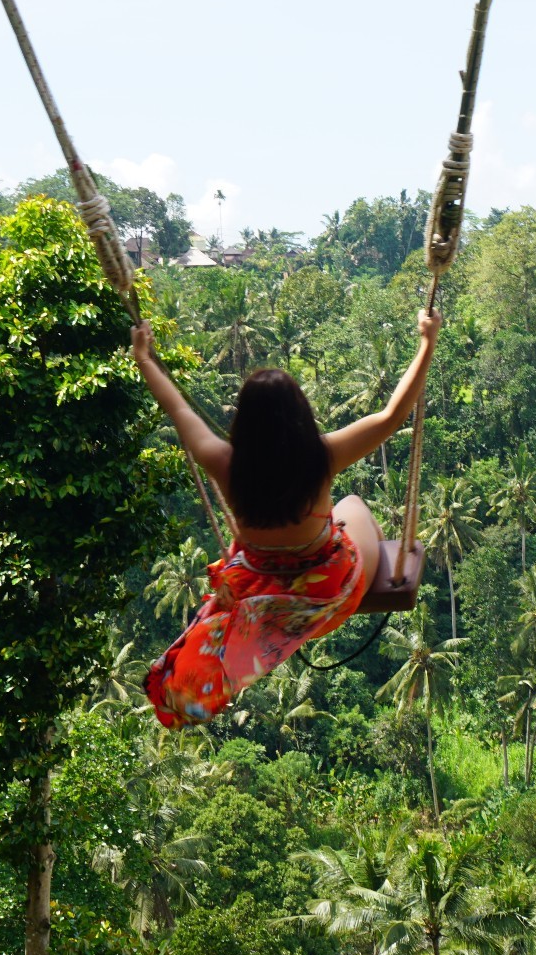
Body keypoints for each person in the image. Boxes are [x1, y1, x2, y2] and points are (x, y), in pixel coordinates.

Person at [132, 308, 441, 726]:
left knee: (337, 513)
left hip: (257, 586)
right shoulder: (322, 458)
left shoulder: (224, 462)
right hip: (325, 596)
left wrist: (145, 358)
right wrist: (426, 340)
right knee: (352, 504)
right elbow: (392, 415)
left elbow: (177, 410)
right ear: (299, 417)